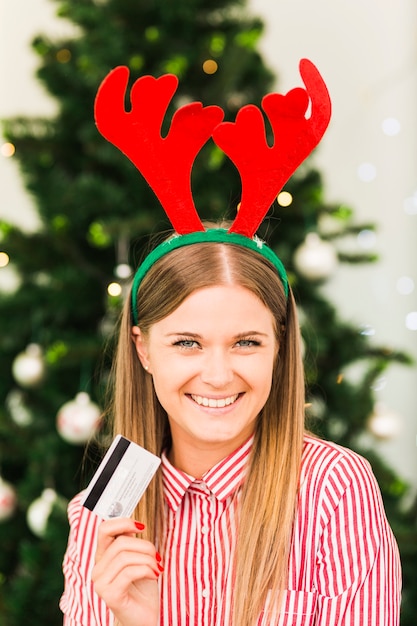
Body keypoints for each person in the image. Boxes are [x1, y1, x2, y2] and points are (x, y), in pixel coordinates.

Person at [60, 61, 401, 626]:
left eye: (245, 342)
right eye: (187, 343)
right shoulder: (105, 509)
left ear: (279, 346)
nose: (218, 375)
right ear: (144, 349)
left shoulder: (333, 491)